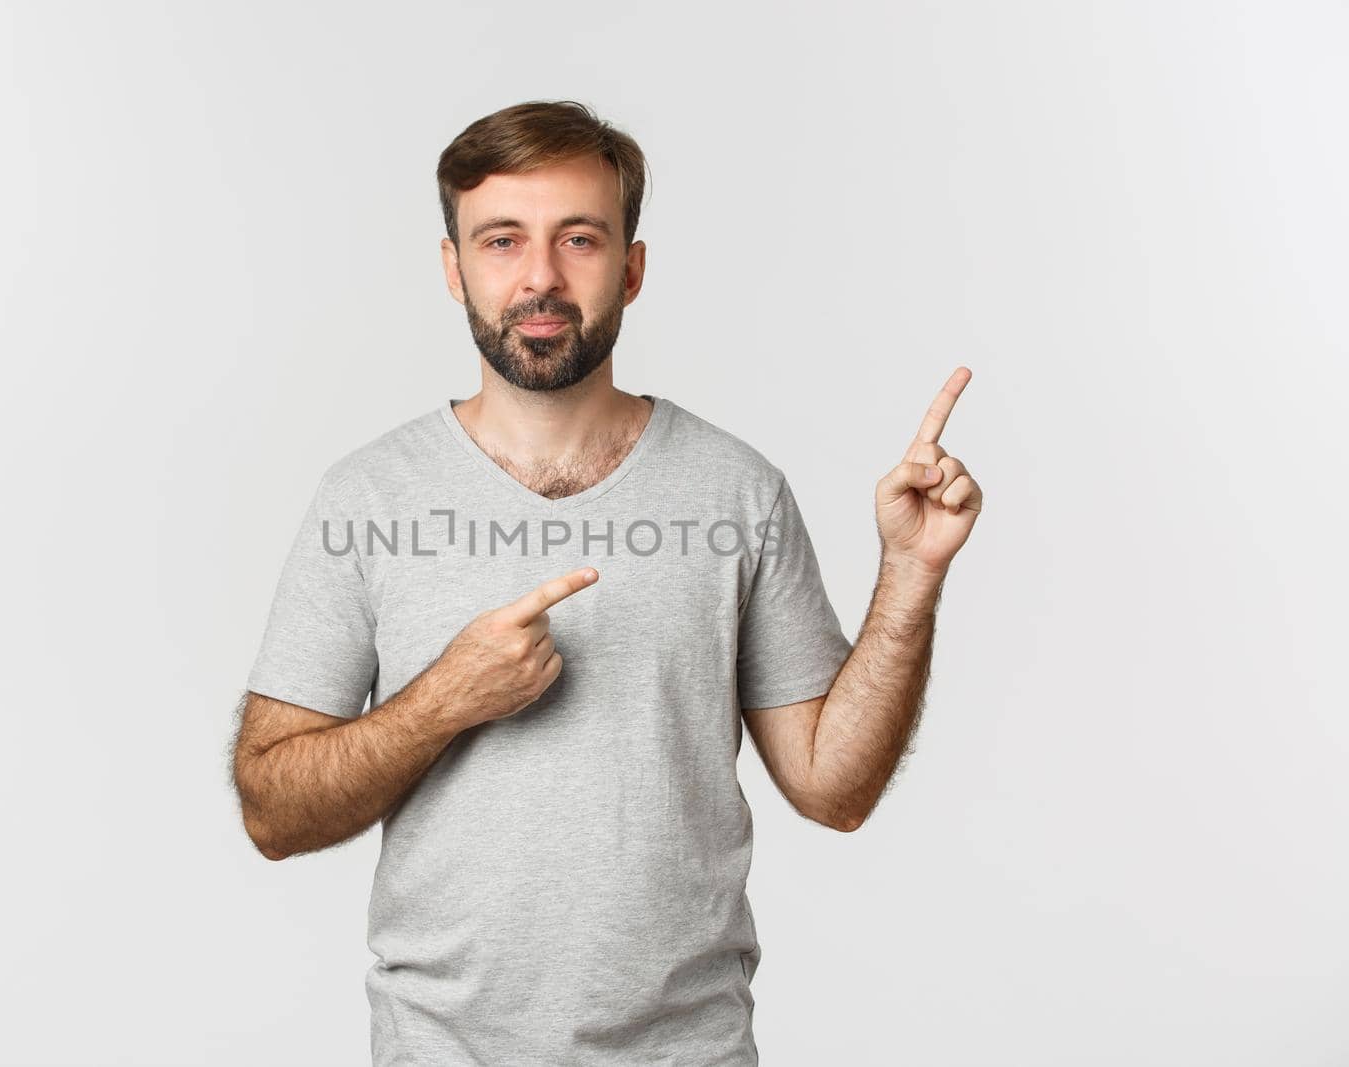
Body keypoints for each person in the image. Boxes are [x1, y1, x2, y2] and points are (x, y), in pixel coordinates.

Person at [230, 99, 983, 1066]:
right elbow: (271, 811)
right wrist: (441, 702)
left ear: (631, 268)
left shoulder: (737, 489)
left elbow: (833, 786)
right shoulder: (368, 495)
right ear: (454, 268)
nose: (539, 276)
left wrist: (911, 575)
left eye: (578, 238)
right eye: (502, 240)